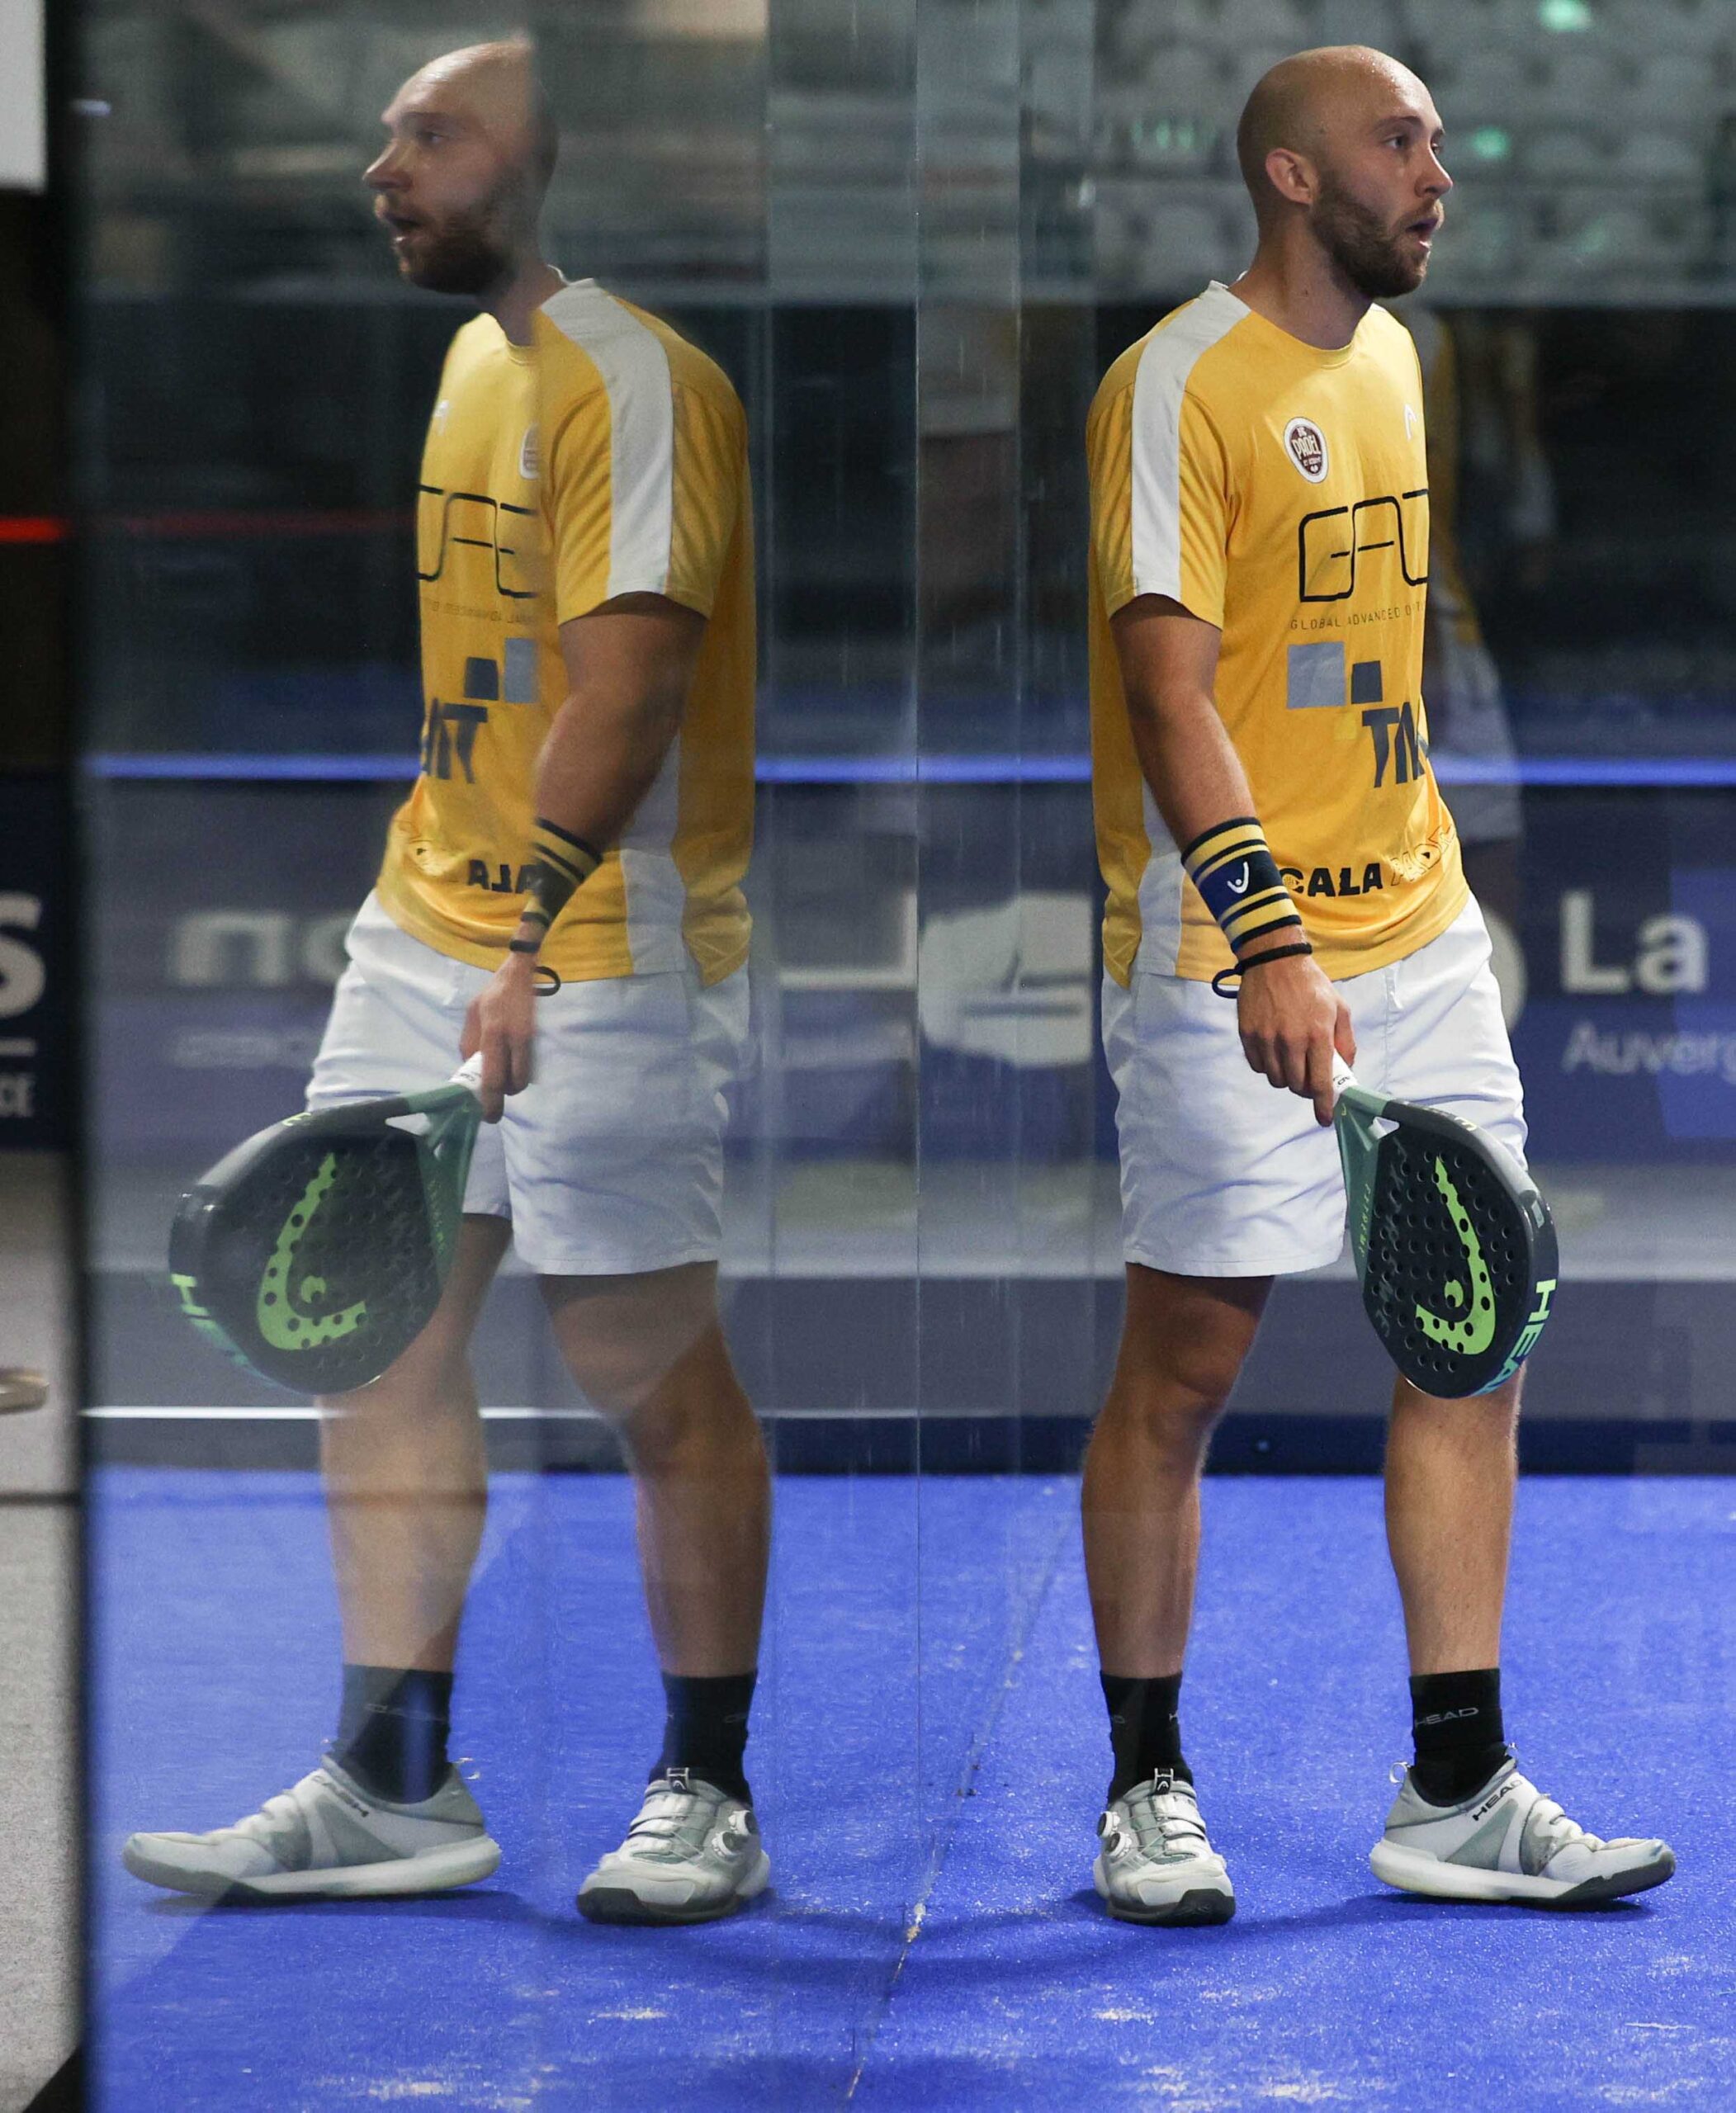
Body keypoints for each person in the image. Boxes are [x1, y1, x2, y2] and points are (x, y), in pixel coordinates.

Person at [123, 38, 771, 1924]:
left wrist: (519, 936)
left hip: (595, 945)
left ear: (545, 163)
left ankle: (706, 1787)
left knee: (643, 1362)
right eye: (390, 131)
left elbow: (629, 687)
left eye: (432, 133)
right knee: (372, 1330)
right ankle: (392, 1779)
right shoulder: (477, 360)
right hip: (430, 921)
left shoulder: (637, 382)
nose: (383, 166)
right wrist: (440, 915)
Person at [1081, 45, 1672, 1923]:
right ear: (1288, 173)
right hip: (1228, 947)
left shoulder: (1399, 359)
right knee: (1186, 1363)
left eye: (1431, 142)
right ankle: (1144, 1786)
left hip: (1415, 935)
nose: (1437, 172)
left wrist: (1416, 896)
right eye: (1397, 142)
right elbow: (1166, 689)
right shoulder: (1173, 383)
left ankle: (1455, 1783)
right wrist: (1270, 929)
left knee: (1471, 1332)